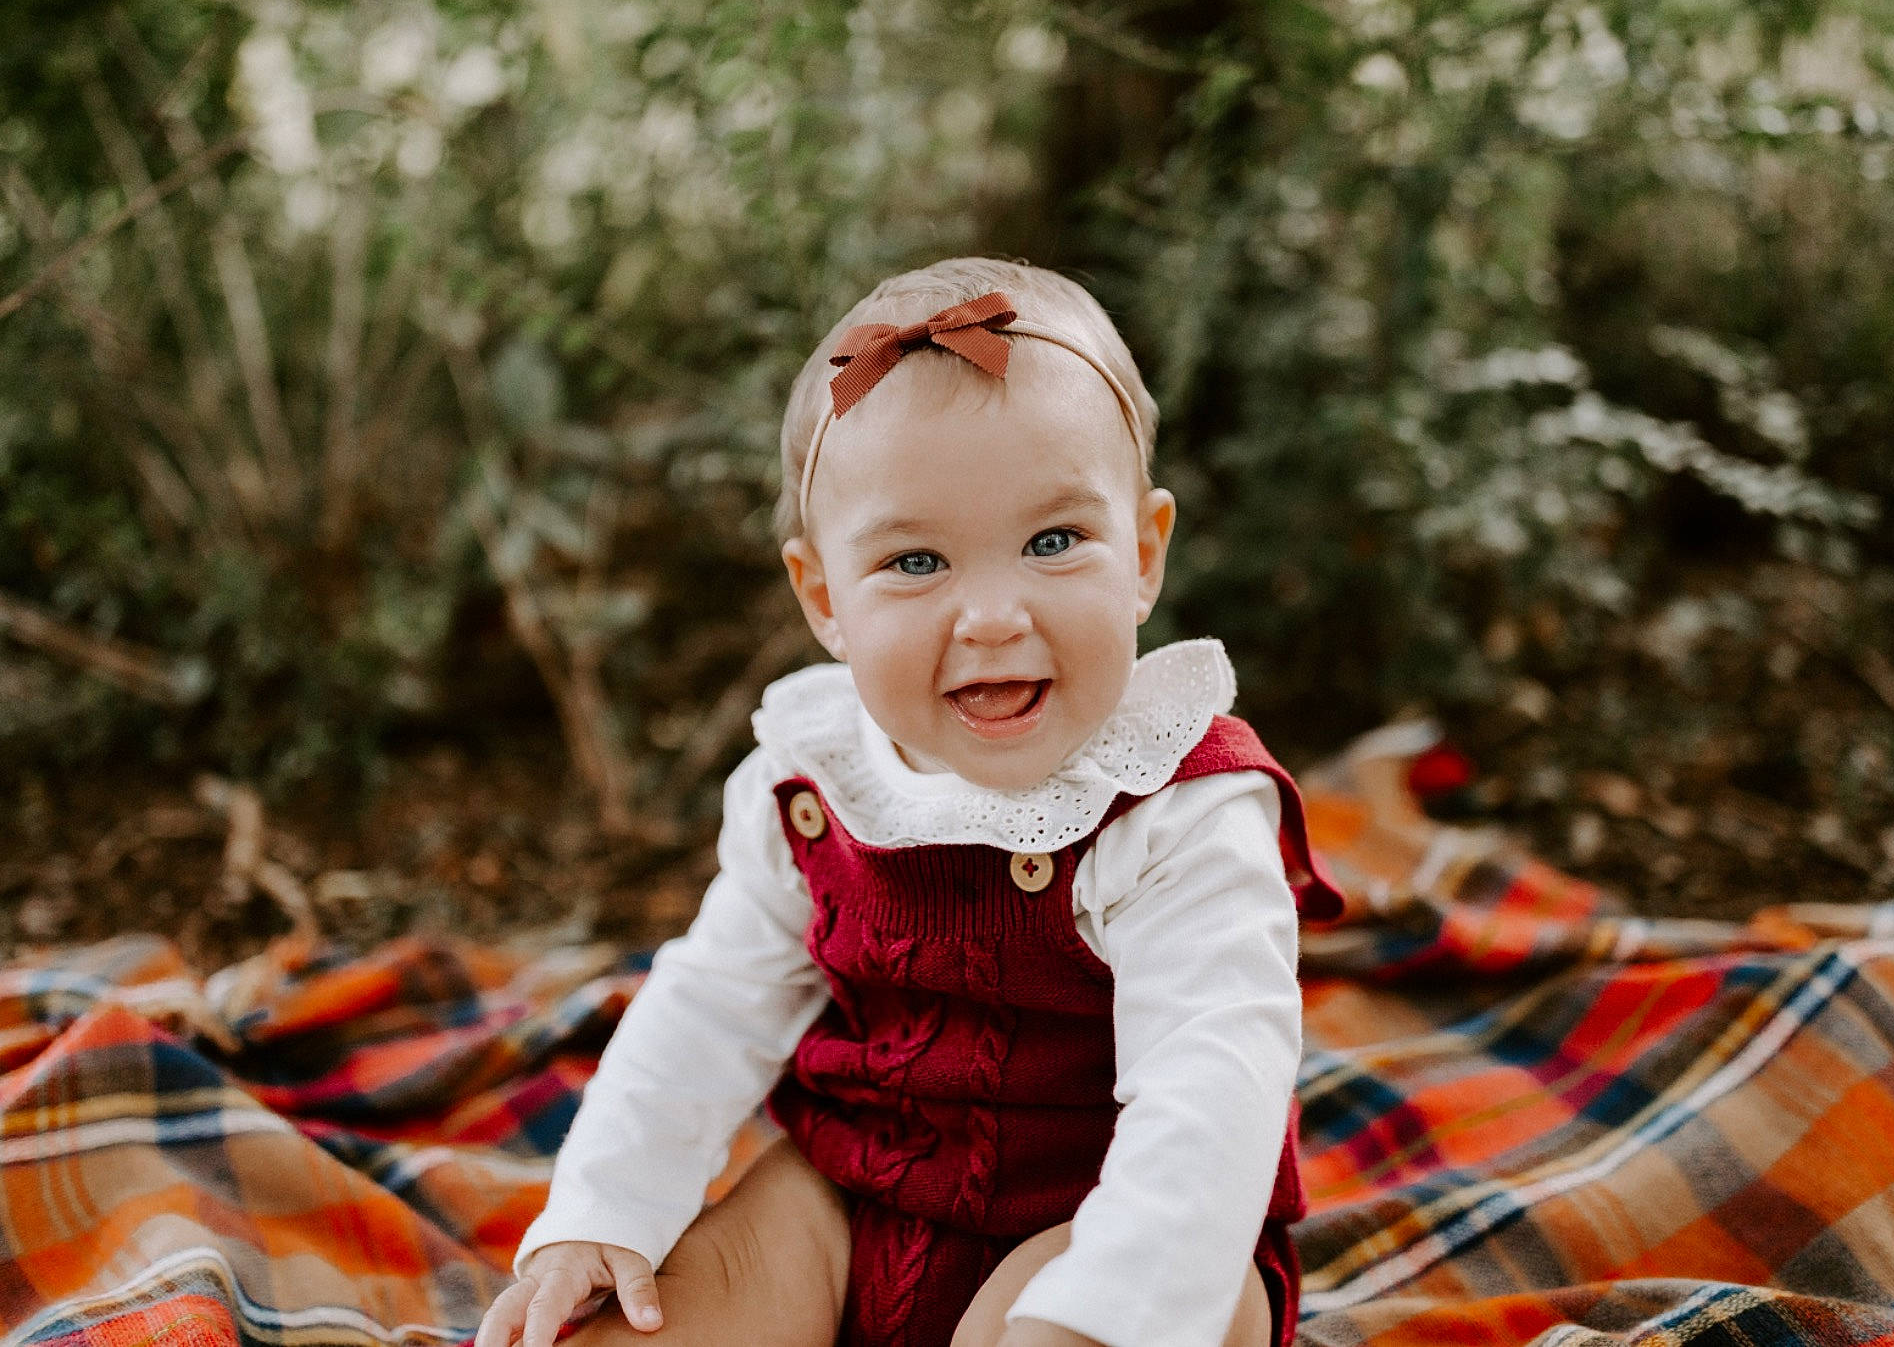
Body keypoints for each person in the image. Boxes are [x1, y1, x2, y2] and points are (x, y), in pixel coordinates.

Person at [474, 258, 1343, 1347]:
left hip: (1104, 1222)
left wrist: (1102, 1310)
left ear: (1143, 554)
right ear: (825, 598)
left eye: (1052, 543)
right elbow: (706, 1008)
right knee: (648, 1315)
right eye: (916, 560)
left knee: (1140, 1317)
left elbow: (1212, 1094)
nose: (989, 614)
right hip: (850, 1201)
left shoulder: (1178, 804)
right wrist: (599, 1213)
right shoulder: (809, 789)